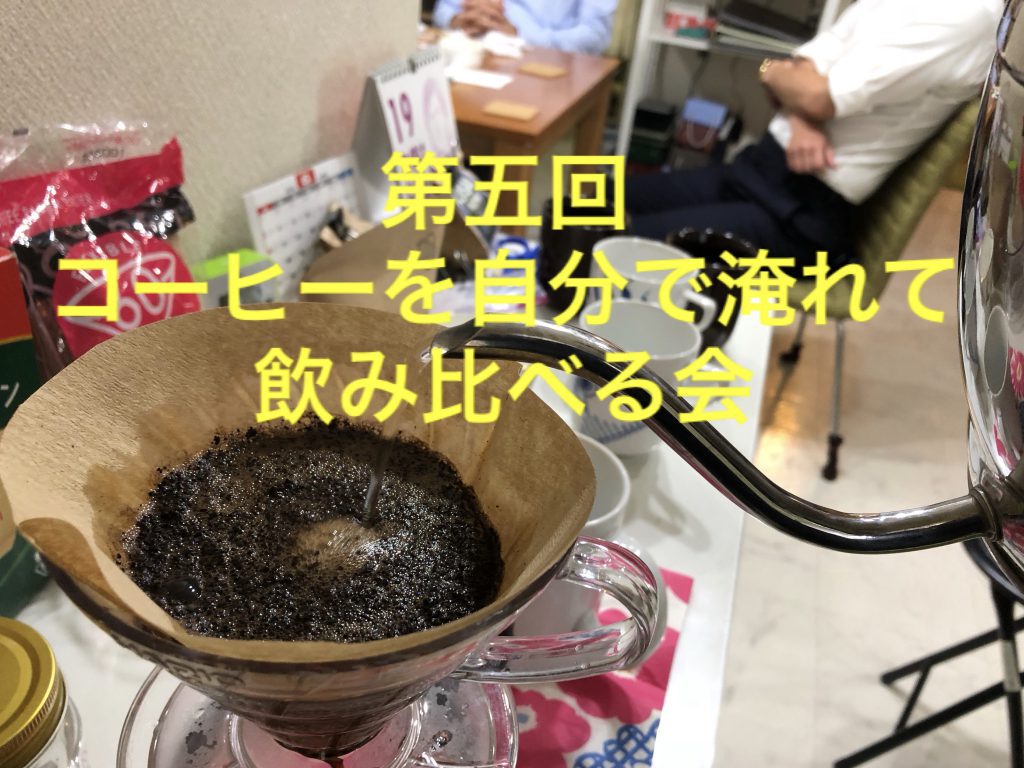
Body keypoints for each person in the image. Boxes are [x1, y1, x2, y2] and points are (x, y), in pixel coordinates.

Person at [624, 0, 1003, 268]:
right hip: (759, 171)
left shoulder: (965, 15)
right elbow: (794, 68)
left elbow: (816, 94)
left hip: (799, 216)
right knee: (608, 199)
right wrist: (801, 111)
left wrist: (795, 91)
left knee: (616, 243)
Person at [432, 0, 618, 56]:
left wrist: (519, 34)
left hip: (542, 66)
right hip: (468, 51)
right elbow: (445, 8)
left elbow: (595, 36)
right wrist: (460, 19)